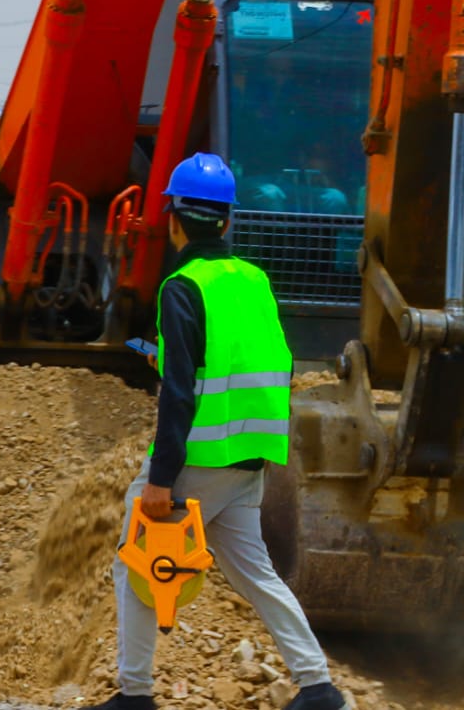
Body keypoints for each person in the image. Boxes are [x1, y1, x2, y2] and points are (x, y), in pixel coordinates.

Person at [87, 153, 345, 710]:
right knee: (255, 571)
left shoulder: (181, 286)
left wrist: (161, 478)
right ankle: (318, 685)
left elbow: (181, 392)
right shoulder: (253, 280)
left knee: (133, 556)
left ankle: (134, 694)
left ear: (174, 221)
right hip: (253, 454)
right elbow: (256, 363)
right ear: (227, 221)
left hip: (198, 458)